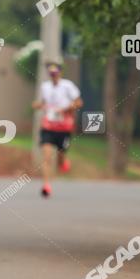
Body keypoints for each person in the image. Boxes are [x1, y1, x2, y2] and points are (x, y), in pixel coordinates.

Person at [32, 62, 82, 197]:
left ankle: (63, 161)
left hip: (64, 127)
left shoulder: (68, 86)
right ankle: (46, 185)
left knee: (60, 155)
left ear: (60, 72)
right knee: (47, 157)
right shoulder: (45, 87)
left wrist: (65, 109)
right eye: (51, 73)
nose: (53, 75)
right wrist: (37, 105)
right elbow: (43, 103)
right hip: (48, 126)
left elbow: (79, 102)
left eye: (55, 73)